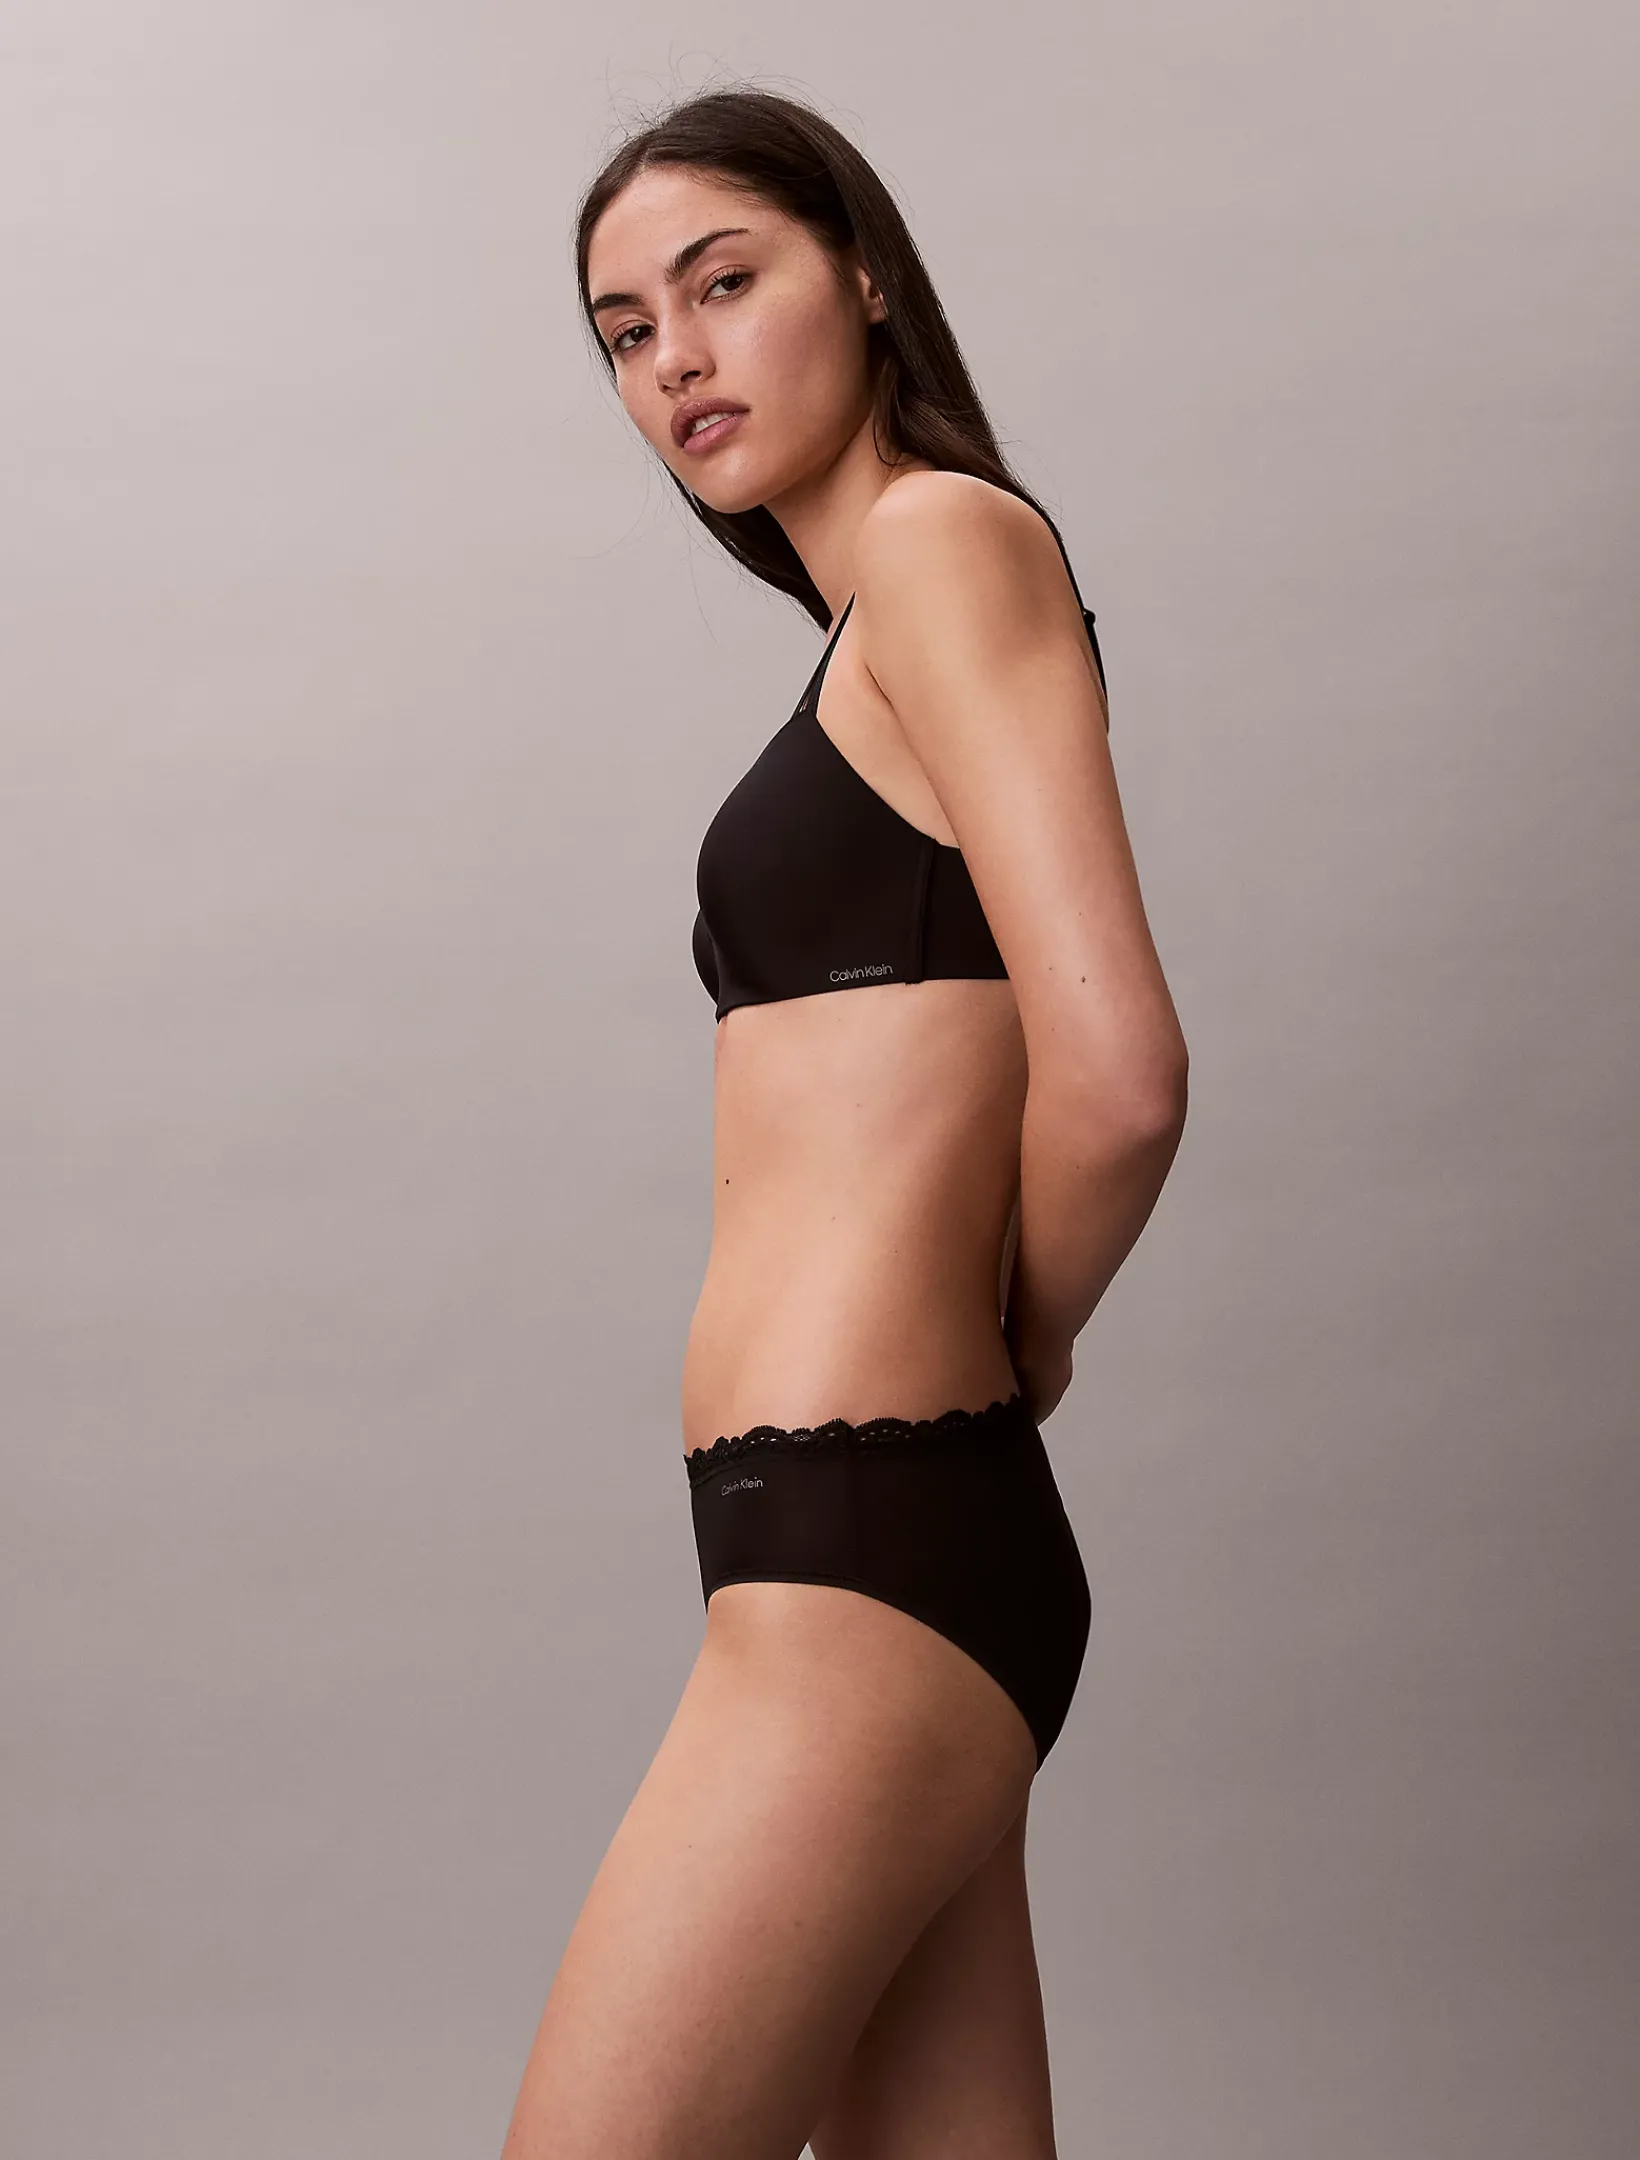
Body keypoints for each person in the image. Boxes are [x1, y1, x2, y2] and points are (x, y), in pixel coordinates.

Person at [501, 85, 1189, 2160]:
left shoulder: (943, 544)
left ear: (866, 274)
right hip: (857, 1541)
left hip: (872, 1545)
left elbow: (1122, 1073)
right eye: (628, 331)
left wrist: (1015, 1342)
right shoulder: (875, 625)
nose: (677, 359)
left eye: (725, 282)